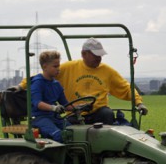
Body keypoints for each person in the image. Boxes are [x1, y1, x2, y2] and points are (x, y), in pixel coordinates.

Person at [18, 38, 147, 125]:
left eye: (100, 55)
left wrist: (139, 103)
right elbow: (39, 77)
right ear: (83, 54)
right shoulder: (67, 68)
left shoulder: (107, 71)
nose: (99, 58)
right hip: (74, 113)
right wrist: (20, 86)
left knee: (107, 113)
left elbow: (125, 87)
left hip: (98, 113)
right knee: (66, 129)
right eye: (95, 55)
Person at [30, 51, 71, 142]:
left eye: (58, 66)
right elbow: (38, 103)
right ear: (45, 67)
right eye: (55, 66)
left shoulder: (56, 84)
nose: (58, 69)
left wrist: (80, 107)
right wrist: (54, 108)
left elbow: (66, 104)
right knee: (58, 135)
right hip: (39, 118)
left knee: (73, 132)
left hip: (54, 117)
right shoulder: (37, 82)